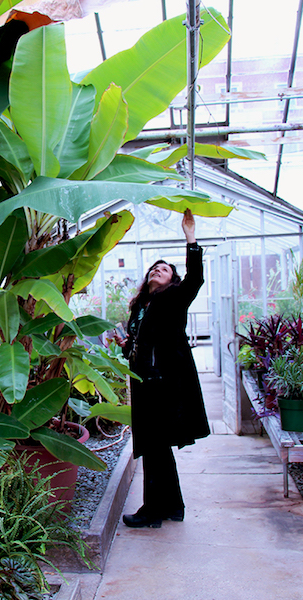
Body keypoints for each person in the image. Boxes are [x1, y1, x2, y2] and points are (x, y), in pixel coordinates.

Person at [114, 209, 210, 528]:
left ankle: (152, 511)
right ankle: (173, 507)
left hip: (162, 383)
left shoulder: (173, 300)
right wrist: (125, 344)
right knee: (157, 447)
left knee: (154, 445)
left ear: (172, 279)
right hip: (145, 383)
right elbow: (141, 347)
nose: (157, 270)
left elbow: (195, 278)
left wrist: (190, 238)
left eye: (164, 269)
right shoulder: (142, 308)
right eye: (154, 268)